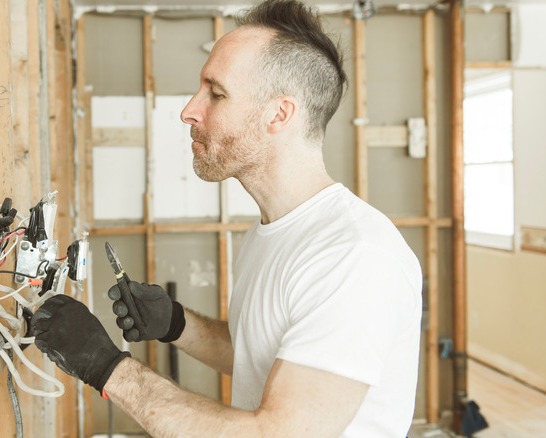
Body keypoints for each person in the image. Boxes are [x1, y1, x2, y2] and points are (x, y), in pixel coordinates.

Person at [32, 0, 422, 436]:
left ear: (279, 114)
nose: (189, 111)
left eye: (216, 94)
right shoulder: (271, 232)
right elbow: (262, 353)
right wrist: (176, 323)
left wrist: (107, 368)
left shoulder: (355, 256)